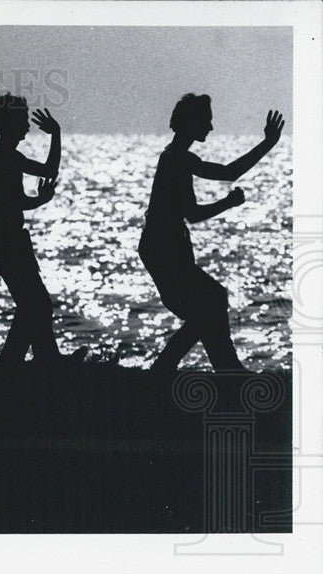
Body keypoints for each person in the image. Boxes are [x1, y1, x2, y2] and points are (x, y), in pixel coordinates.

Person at [139, 94, 284, 375]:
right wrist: (228, 202)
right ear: (191, 123)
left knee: (209, 306)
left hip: (165, 246)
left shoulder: (176, 156)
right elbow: (194, 211)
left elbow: (225, 175)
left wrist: (267, 144)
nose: (211, 127)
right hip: (163, 247)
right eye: (206, 121)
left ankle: (222, 368)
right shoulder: (177, 159)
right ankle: (178, 368)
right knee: (210, 305)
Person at [0, 93, 86, 370]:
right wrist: (56, 135)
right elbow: (48, 171)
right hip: (7, 240)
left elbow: (14, 201)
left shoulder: (3, 155)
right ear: (10, 124)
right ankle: (15, 362)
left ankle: (45, 359)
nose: (27, 125)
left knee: (35, 303)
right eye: (23, 120)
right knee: (34, 304)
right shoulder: (6, 157)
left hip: (5, 238)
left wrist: (38, 200)